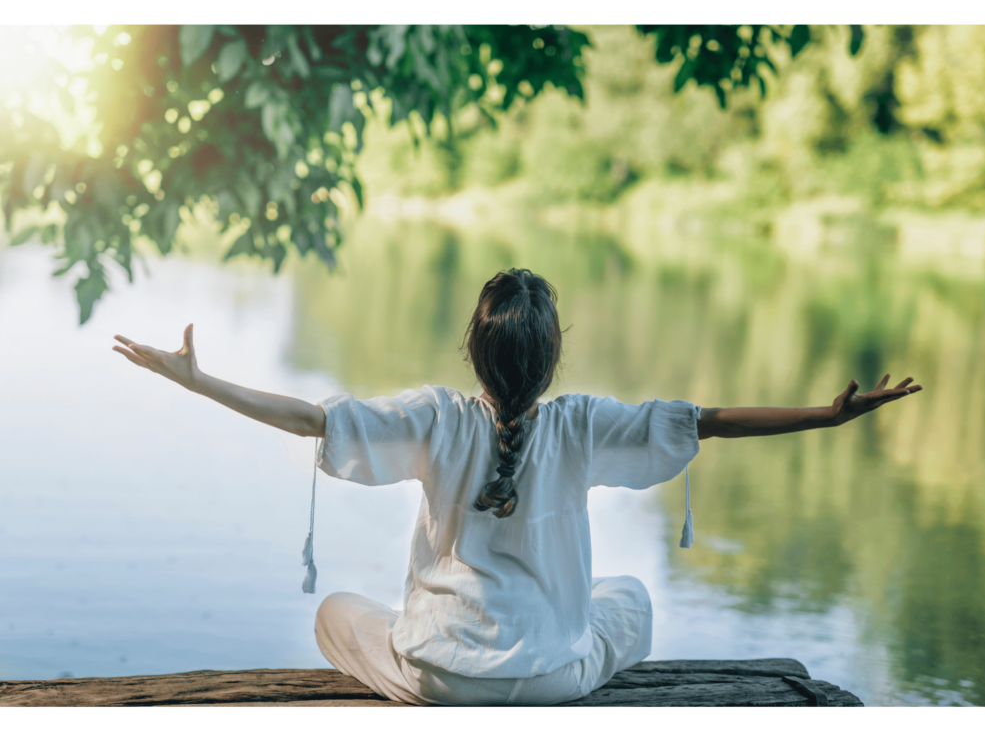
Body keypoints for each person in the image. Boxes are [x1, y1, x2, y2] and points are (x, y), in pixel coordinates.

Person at [112, 268, 922, 706]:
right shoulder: (584, 423)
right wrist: (827, 414)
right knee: (631, 597)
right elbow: (707, 420)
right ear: (553, 352)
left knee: (334, 613)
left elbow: (309, 419)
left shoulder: (433, 416)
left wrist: (201, 381)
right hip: (549, 679)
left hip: (439, 678)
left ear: (474, 347)